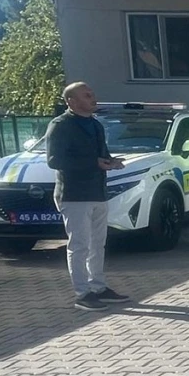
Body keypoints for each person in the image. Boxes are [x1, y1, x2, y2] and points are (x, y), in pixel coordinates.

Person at [43, 82, 131, 311]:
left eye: (92, 93)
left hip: (97, 192)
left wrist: (111, 162)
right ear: (71, 101)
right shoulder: (60, 125)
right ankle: (82, 294)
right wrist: (94, 163)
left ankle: (99, 287)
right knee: (79, 246)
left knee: (97, 245)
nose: (93, 98)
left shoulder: (95, 124)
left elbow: (101, 155)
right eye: (86, 95)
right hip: (74, 195)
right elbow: (54, 160)